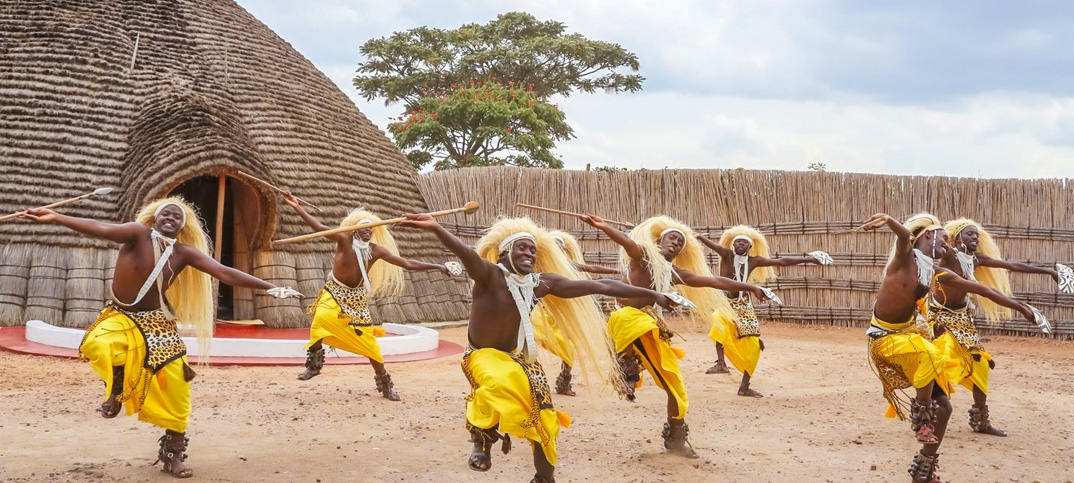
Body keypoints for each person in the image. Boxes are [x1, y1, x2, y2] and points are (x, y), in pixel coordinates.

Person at [20, 198, 302, 478]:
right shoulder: (135, 233)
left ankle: (172, 453)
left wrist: (270, 287)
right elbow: (99, 228)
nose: (170, 218)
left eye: (176, 217)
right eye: (165, 214)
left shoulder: (183, 253)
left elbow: (223, 271)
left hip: (157, 321)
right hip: (120, 314)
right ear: (154, 217)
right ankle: (117, 388)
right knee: (101, 343)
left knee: (177, 386)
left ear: (182, 226)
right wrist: (57, 217)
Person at [398, 214, 684, 483]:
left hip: (522, 360)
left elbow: (604, 286)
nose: (529, 254)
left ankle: (544, 477)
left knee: (545, 423)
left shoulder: (540, 284)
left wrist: (655, 295)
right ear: (503, 254)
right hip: (482, 356)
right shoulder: (489, 275)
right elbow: (465, 253)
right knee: (500, 382)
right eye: (522, 249)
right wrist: (436, 228)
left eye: (533, 251)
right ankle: (482, 438)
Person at [860, 212, 1042, 483]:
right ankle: (921, 420)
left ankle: (924, 470)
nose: (947, 243)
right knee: (932, 352)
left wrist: (1023, 309)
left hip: (910, 339)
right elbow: (902, 235)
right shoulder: (903, 259)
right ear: (927, 237)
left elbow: (983, 290)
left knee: (944, 409)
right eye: (943, 237)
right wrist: (888, 219)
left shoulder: (936, 272)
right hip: (887, 339)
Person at [581, 214, 767, 459]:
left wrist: (750, 287)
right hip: (626, 321)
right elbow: (628, 243)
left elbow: (714, 281)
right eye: (672, 238)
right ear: (660, 239)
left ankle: (676, 435)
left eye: (680, 242)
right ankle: (626, 364)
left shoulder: (675, 272)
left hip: (652, 328)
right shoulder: (643, 256)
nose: (676, 243)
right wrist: (605, 227)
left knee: (677, 389)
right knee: (633, 318)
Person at [284, 194, 451, 400]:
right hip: (334, 291)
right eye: (364, 228)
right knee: (320, 321)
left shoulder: (376, 250)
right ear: (355, 230)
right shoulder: (343, 239)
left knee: (369, 344)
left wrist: (439, 267)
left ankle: (385, 383)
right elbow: (319, 228)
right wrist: (297, 207)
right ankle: (315, 365)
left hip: (356, 299)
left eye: (371, 228)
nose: (368, 230)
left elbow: (406, 263)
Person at [937, 217, 1063, 436]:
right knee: (938, 363)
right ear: (957, 238)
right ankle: (926, 418)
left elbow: (1012, 265)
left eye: (976, 234)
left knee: (981, 366)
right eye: (969, 234)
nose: (975, 237)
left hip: (962, 319)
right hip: (937, 318)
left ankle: (981, 421)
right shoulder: (948, 254)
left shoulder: (976, 259)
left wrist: (1048, 271)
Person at [696, 226, 832, 397]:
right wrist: (700, 237)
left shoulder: (754, 261)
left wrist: (810, 259)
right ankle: (721, 363)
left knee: (753, 346)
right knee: (718, 322)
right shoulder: (727, 255)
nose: (740, 244)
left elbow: (782, 261)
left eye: (744, 242)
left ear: (750, 247)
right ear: (733, 244)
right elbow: (713, 247)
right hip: (725, 302)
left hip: (744, 305)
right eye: (737, 241)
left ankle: (744, 387)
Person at [534, 229, 624, 396]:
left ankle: (564, 380)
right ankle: (530, 377)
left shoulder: (568, 265)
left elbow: (591, 267)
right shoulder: (535, 267)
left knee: (569, 348)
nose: (558, 250)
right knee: (530, 339)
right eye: (554, 247)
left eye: (560, 247)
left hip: (563, 313)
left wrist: (617, 271)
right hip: (541, 312)